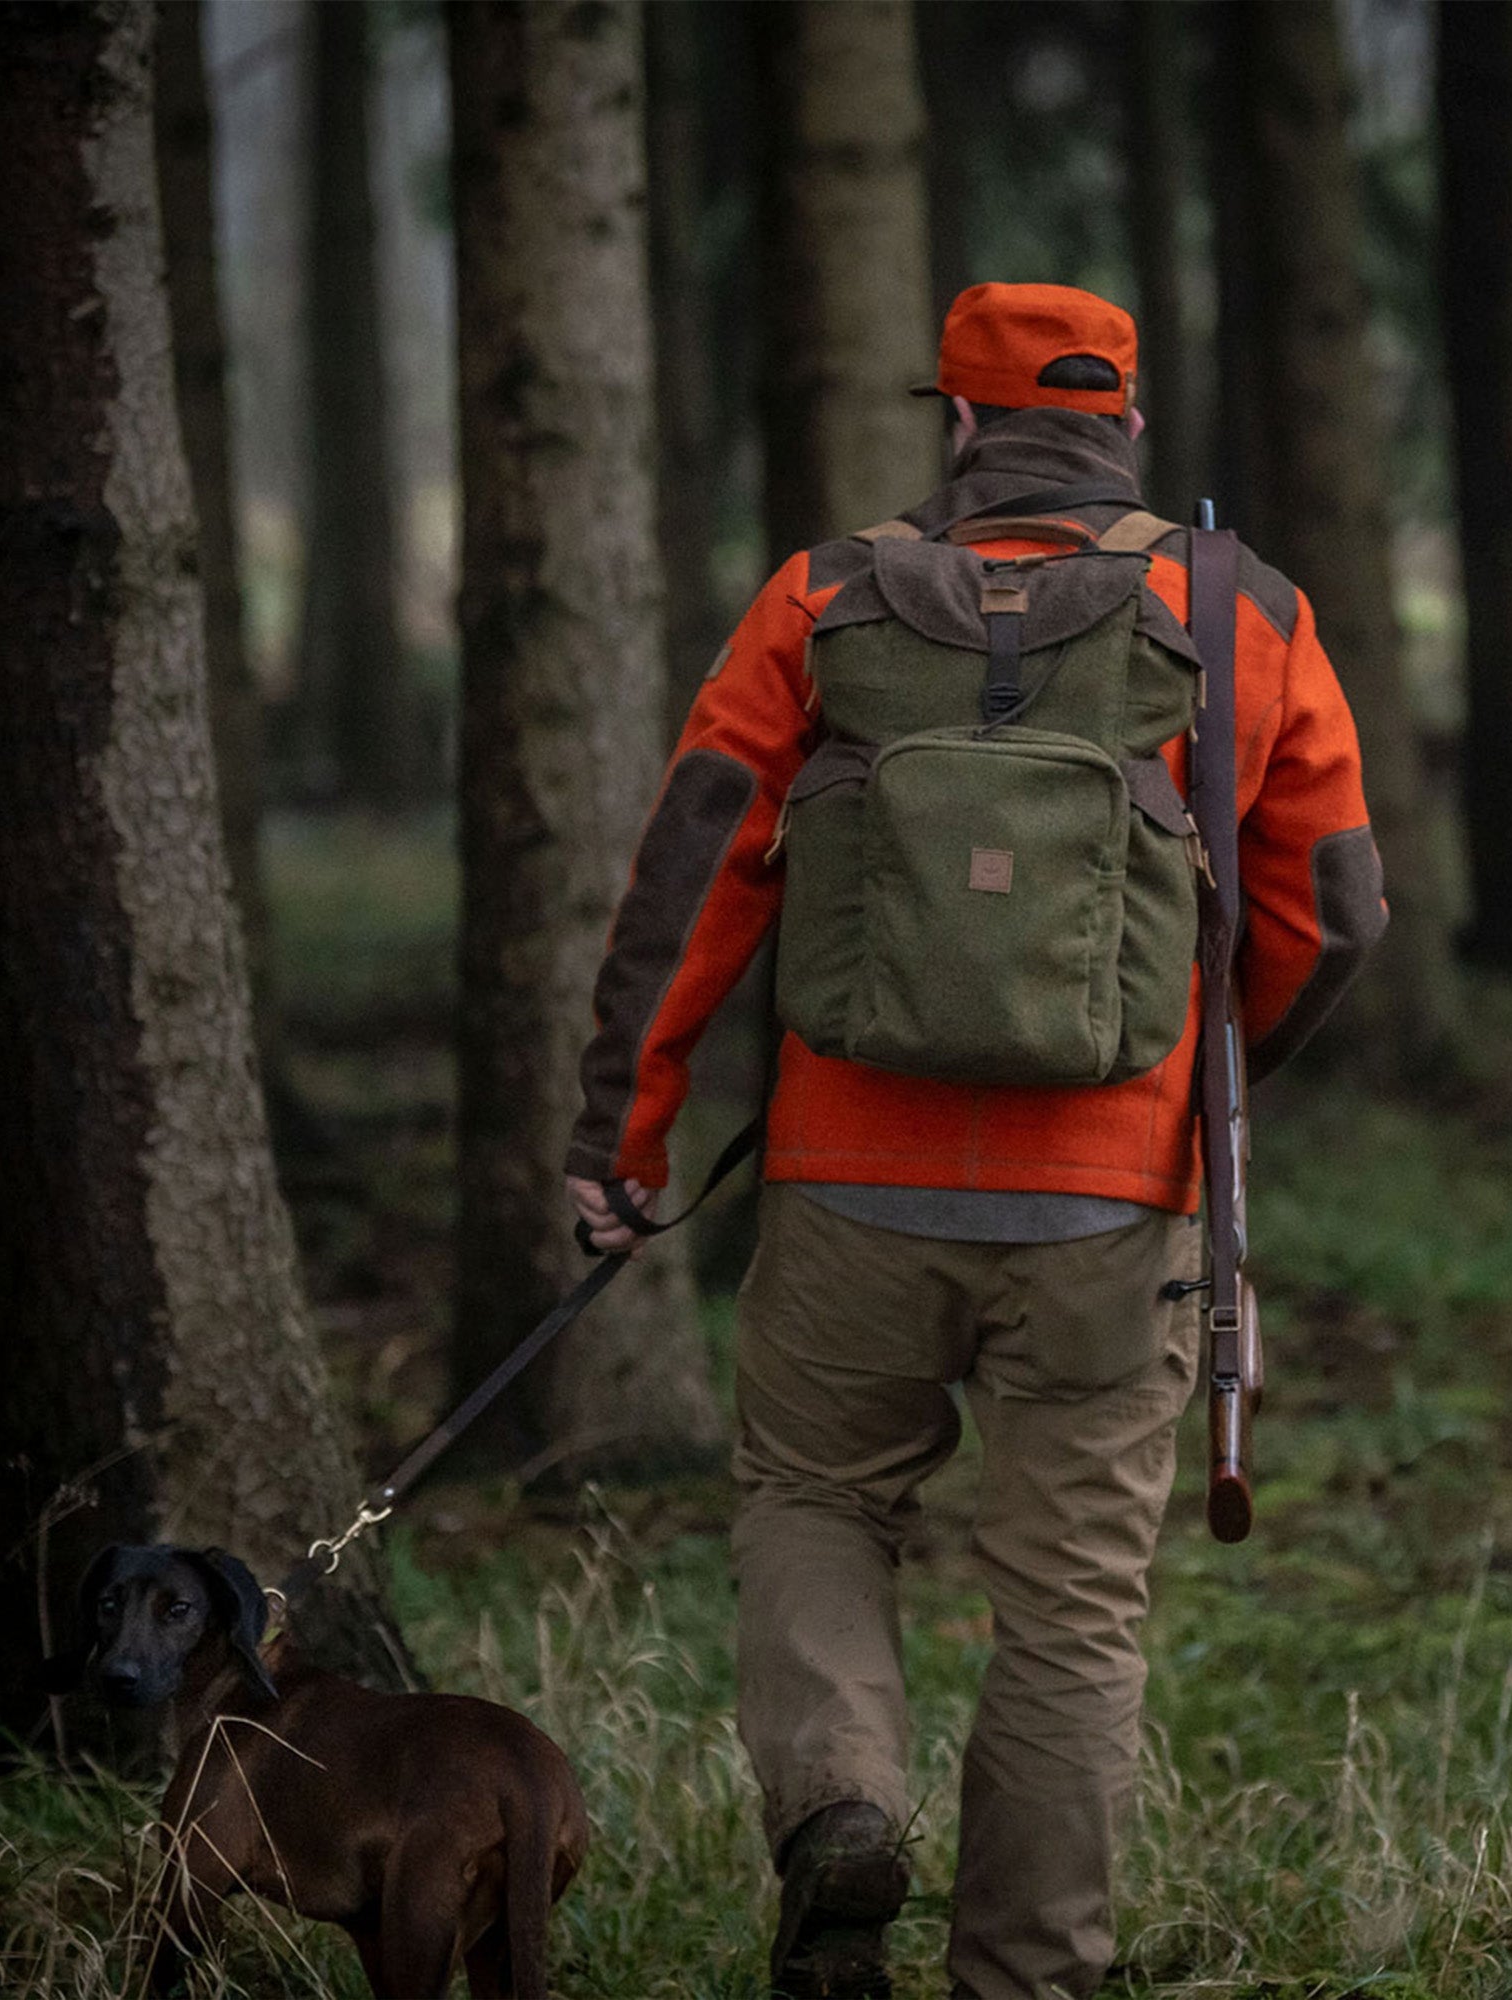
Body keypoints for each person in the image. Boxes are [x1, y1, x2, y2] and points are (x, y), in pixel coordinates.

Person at [567, 282, 1387, 2000]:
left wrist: (622, 1132)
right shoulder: (1238, 605)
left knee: (811, 1495)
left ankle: (843, 1810)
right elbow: (1335, 903)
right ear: (1129, 426)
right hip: (1113, 1203)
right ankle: (1024, 1977)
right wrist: (1205, 1069)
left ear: (956, 423)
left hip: (848, 1185)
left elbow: (694, 872)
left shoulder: (822, 596)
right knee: (1072, 1613)